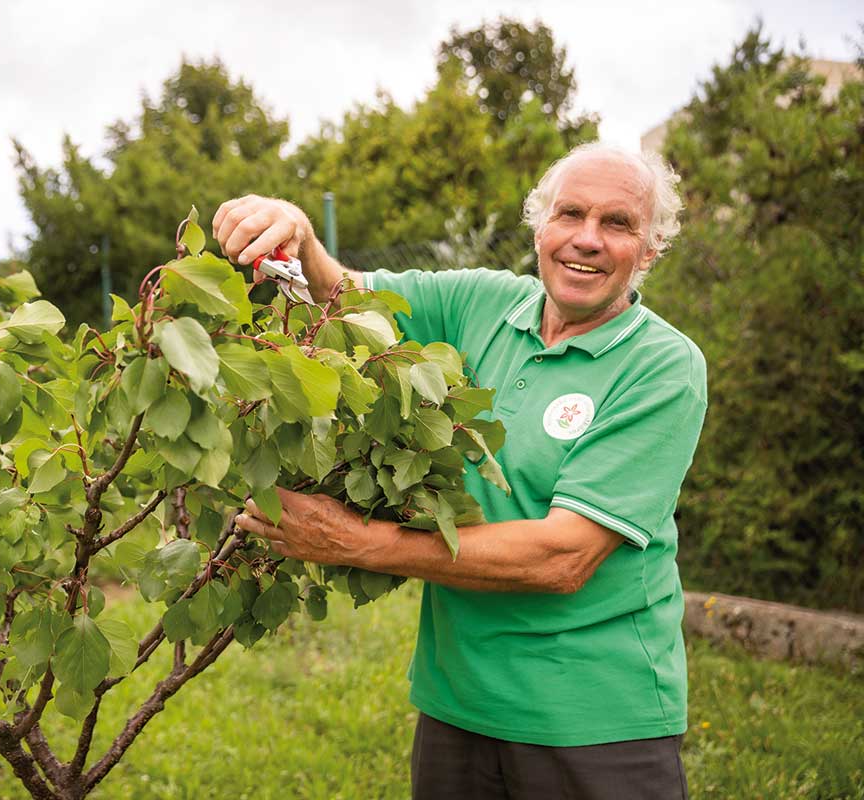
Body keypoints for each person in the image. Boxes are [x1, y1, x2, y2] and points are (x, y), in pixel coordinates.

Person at [215, 142, 705, 800]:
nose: (586, 239)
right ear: (540, 227)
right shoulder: (483, 304)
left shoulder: (662, 367)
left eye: (617, 224)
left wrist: (361, 544)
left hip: (593, 719)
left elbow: (563, 557)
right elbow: (347, 298)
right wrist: (295, 233)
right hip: (458, 703)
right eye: (570, 214)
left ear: (648, 251)